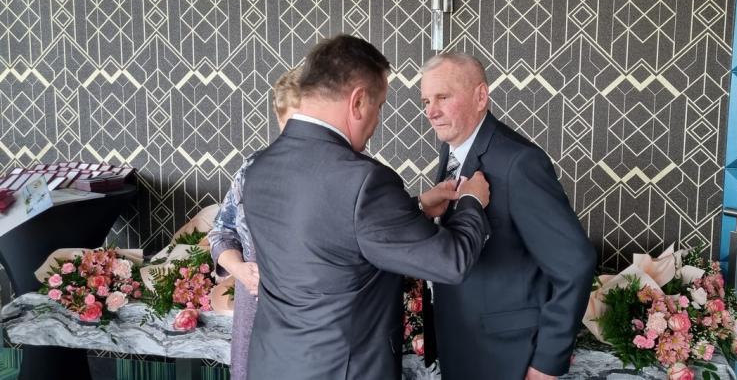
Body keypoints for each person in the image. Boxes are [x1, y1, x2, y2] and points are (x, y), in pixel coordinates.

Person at [242, 35, 492, 380]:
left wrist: (417, 206)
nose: (376, 121)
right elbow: (451, 262)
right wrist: (471, 201)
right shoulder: (363, 180)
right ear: (358, 101)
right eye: (380, 106)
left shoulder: (258, 168)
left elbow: (330, 232)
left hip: (272, 364)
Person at [420, 53, 597, 380]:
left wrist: (547, 363)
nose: (431, 111)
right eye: (426, 101)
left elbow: (576, 263)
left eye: (443, 97)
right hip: (464, 342)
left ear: (480, 97)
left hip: (506, 353)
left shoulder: (519, 163)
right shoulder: (452, 149)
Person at [206, 67, 304, 380]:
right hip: (254, 311)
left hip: (306, 319)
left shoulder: (334, 174)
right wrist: (240, 269)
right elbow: (222, 232)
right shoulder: (253, 168)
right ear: (279, 119)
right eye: (291, 124)